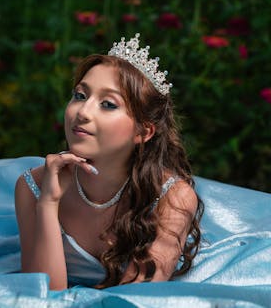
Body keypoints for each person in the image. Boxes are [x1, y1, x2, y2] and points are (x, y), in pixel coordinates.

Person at [15, 33, 203, 290]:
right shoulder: (32, 187)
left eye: (107, 104)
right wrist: (48, 204)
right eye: (80, 96)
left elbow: (133, 299)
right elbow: (43, 295)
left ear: (143, 132)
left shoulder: (173, 198)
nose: (82, 112)